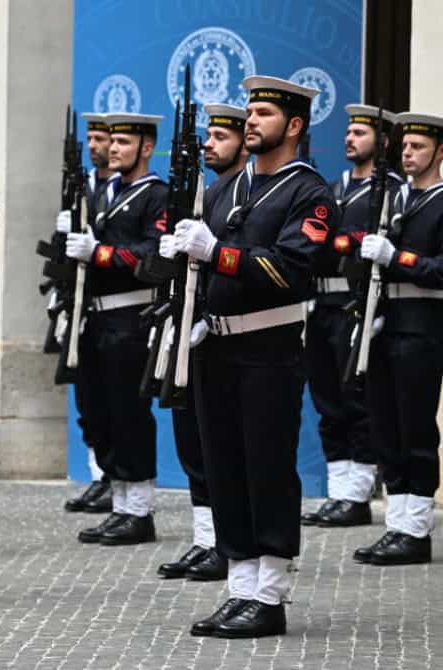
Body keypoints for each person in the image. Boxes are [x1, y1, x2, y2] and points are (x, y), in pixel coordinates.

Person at [174, 75, 336, 638]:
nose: (251, 121)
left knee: (265, 468)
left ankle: (269, 596)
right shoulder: (226, 188)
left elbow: (291, 269)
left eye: (264, 113)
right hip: (215, 345)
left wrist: (217, 253)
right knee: (225, 469)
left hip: (269, 348)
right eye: (250, 112)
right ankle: (240, 587)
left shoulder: (308, 192)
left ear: (293, 125)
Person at [155, 103, 248, 582]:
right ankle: (206, 538)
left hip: (222, 332)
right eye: (208, 136)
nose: (210, 144)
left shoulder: (244, 194)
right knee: (191, 441)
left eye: (220, 136)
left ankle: (226, 545)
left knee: (218, 448)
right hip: (189, 330)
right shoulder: (207, 192)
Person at [65, 112, 166, 547]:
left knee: (129, 415)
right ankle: (120, 504)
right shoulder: (107, 192)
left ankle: (139, 510)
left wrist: (100, 253)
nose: (113, 149)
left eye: (124, 142)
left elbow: (151, 254)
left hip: (130, 318)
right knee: (99, 410)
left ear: (147, 147)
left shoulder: (156, 195)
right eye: (112, 141)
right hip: (96, 319)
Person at [352, 111, 443, 566]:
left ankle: (417, 530)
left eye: (418, 147)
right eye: (405, 146)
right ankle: (397, 524)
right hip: (385, 323)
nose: (408, 153)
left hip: (422, 326)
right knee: (385, 427)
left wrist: (398, 257)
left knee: (415, 428)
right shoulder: (394, 198)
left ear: (440, 152)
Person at [302, 104, 399, 528]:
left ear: (383, 142)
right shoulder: (332, 188)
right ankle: (338, 491)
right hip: (321, 304)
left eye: (360, 133)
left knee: (356, 399)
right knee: (327, 400)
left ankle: (358, 494)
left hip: (355, 303)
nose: (349, 138)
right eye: (349, 132)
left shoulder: (391, 190)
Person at [63, 111, 116, 515]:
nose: (97, 146)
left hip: (114, 308)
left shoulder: (125, 191)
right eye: (93, 139)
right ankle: (100, 474)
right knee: (89, 401)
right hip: (83, 309)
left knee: (117, 406)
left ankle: (119, 482)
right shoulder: (83, 188)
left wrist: (98, 251)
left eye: (104, 139)